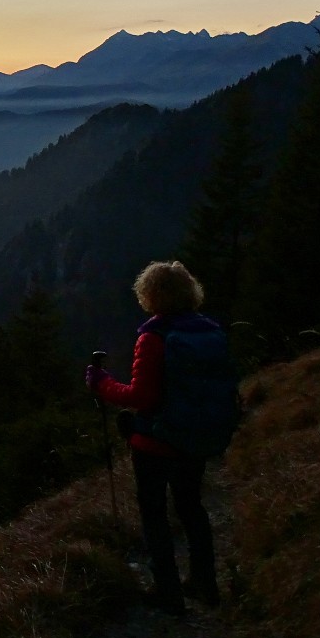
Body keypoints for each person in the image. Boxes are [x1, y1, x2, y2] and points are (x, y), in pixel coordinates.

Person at [86, 261, 224, 615]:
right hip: (196, 435)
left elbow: (140, 397)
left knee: (154, 513)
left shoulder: (153, 338)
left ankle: (168, 591)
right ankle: (205, 582)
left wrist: (102, 384)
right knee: (191, 506)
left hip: (156, 441)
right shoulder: (209, 332)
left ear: (149, 295)